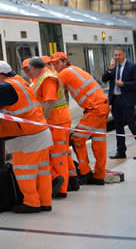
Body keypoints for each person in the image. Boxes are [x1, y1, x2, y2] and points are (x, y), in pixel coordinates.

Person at [0, 61, 53, 213]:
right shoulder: (19, 82)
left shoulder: (7, 86)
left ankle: (31, 203)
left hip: (27, 137)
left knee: (24, 170)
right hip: (40, 132)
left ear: (1, 76)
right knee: (42, 171)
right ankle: (45, 201)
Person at [51, 52, 110, 185]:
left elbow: (51, 85)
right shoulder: (75, 69)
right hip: (102, 106)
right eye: (53, 64)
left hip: (94, 109)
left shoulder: (65, 73)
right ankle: (99, 176)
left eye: (57, 63)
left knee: (77, 139)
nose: (55, 66)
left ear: (65, 61)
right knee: (99, 142)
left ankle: (85, 173)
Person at [28, 57, 71, 198]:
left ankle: (62, 189)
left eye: (29, 70)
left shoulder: (47, 79)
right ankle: (60, 183)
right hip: (56, 121)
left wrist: (43, 121)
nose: (29, 73)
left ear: (34, 68)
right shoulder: (42, 77)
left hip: (56, 122)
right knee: (55, 154)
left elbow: (50, 101)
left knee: (58, 155)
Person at [101, 47, 136, 159]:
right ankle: (121, 151)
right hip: (116, 101)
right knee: (118, 127)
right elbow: (104, 79)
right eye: (115, 55)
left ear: (124, 55)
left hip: (127, 100)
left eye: (119, 55)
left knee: (131, 125)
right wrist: (110, 69)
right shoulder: (114, 67)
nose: (116, 57)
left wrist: (124, 84)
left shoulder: (132, 66)